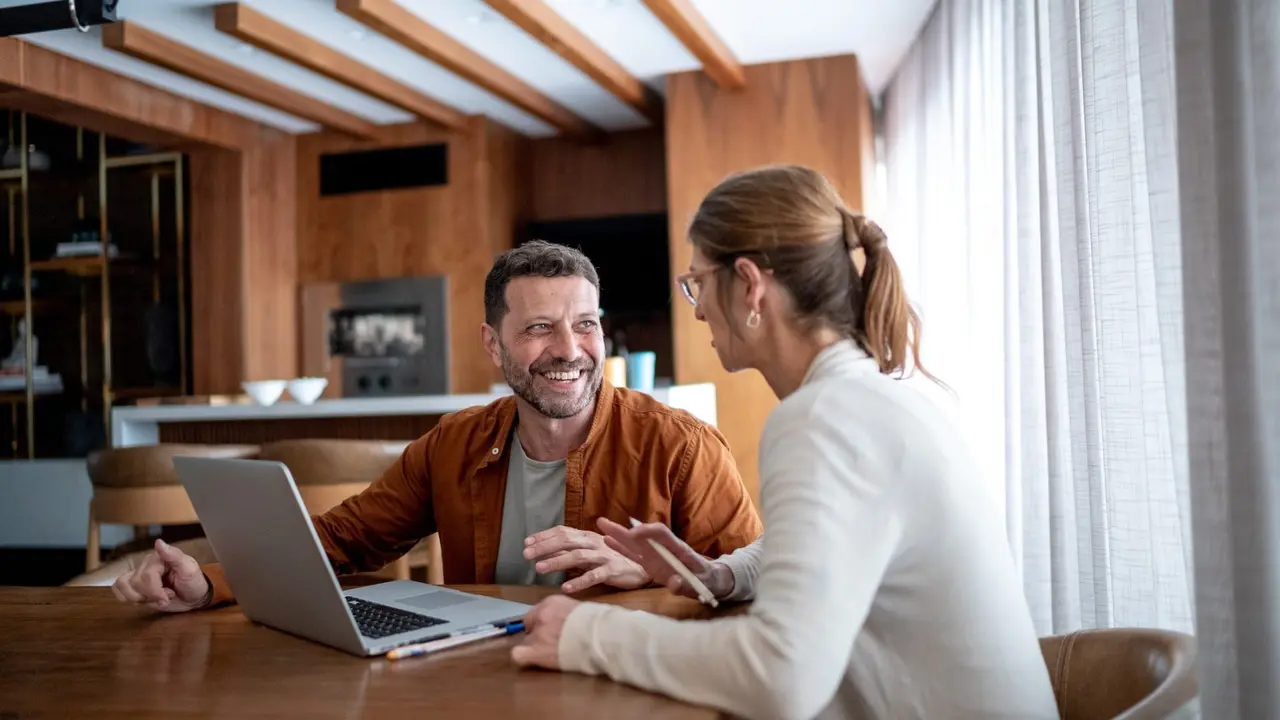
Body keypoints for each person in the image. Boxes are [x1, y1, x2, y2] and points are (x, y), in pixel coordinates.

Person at [510, 166, 1059, 720]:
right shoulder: (868, 398)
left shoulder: (823, 417)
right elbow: (825, 550)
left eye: (698, 282)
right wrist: (719, 574)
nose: (697, 308)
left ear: (750, 284)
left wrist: (584, 632)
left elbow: (780, 675)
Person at [111, 241, 761, 613]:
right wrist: (209, 583)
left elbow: (759, 588)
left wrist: (651, 573)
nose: (570, 348)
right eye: (539, 328)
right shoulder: (453, 445)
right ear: (493, 341)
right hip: (480, 683)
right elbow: (343, 542)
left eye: (585, 324)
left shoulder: (682, 447)